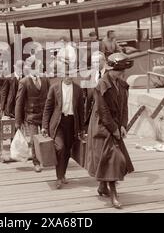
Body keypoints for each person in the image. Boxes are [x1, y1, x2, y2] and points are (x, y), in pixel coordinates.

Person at [86, 53, 134, 209]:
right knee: (113, 159)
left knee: (107, 159)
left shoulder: (122, 85)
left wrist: (122, 126)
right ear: (111, 69)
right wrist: (114, 129)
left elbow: (124, 107)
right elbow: (103, 111)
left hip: (114, 126)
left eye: (123, 71)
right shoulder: (101, 85)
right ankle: (113, 195)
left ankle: (102, 186)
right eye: (119, 70)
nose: (122, 74)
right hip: (102, 127)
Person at [41, 54, 84, 189]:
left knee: (67, 150)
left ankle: (63, 174)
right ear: (62, 74)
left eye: (71, 74)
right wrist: (44, 126)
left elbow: (81, 111)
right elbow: (47, 109)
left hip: (72, 123)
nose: (69, 77)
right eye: (66, 74)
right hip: (58, 123)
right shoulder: (54, 88)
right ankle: (58, 177)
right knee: (60, 148)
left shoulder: (78, 89)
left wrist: (82, 129)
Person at [15, 58, 50, 172]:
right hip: (31, 116)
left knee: (47, 137)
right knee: (34, 139)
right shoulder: (24, 82)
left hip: (45, 115)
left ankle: (47, 159)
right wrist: (18, 121)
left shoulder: (45, 80)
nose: (40, 70)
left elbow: (50, 98)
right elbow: (19, 102)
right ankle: (36, 162)